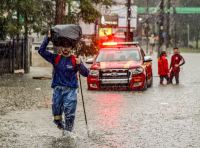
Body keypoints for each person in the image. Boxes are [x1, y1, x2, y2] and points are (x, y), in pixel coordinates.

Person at [38, 33, 89, 134]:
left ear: (71, 48)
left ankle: (68, 134)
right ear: (60, 47)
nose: (65, 48)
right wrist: (47, 38)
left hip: (70, 91)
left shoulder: (75, 60)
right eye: (63, 46)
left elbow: (86, 73)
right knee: (56, 115)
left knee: (69, 114)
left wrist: (80, 65)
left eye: (68, 46)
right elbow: (41, 51)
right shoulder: (55, 58)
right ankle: (61, 126)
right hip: (57, 90)